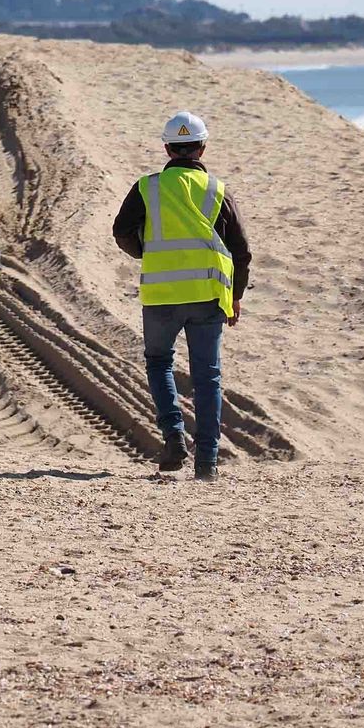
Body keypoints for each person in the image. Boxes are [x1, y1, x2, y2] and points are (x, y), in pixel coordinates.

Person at [112, 111, 252, 481]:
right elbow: (241, 250)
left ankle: (174, 436)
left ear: (167, 148)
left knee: (159, 363)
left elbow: (122, 231)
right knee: (207, 376)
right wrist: (235, 295)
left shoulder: (148, 187)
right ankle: (207, 461)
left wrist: (146, 251)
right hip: (207, 295)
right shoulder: (217, 190)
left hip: (161, 293)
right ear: (202, 149)